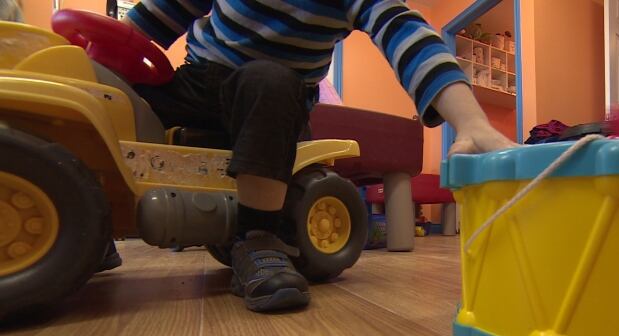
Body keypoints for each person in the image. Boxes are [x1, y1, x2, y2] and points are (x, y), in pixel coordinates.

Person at [121, 0, 514, 312]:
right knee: (117, 93)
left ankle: (258, 237)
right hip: (200, 83)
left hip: (273, 100)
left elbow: (405, 33)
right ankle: (96, 207)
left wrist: (471, 123)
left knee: (270, 79)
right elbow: (150, 21)